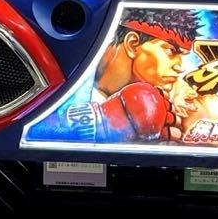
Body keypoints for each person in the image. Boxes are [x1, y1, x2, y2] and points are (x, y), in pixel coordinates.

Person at [75, 8, 201, 143]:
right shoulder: (75, 75)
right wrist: (104, 123)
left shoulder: (164, 103)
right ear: (133, 44)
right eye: (171, 51)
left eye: (182, 56)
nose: (180, 67)